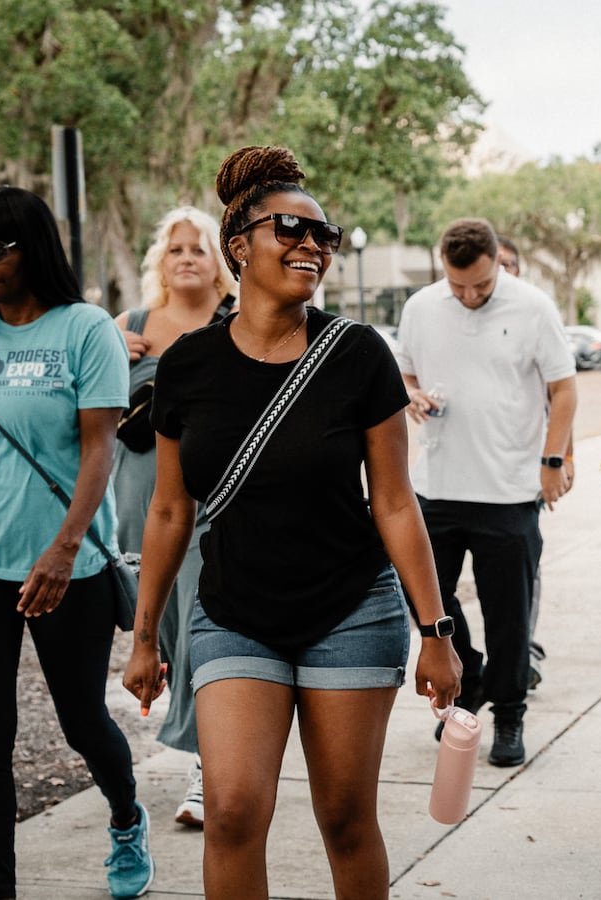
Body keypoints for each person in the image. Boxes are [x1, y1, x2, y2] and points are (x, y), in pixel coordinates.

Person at [122, 144, 460, 900]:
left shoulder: (358, 354)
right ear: (238, 247)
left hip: (352, 609)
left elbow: (394, 501)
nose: (313, 245)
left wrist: (436, 633)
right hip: (233, 613)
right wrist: (145, 636)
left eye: (324, 235)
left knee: (344, 817)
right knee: (233, 812)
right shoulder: (189, 366)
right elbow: (170, 509)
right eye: (290, 229)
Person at [0, 186, 153, 900]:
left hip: (67, 565)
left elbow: (100, 448)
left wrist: (65, 550)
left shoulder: (85, 330)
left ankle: (126, 815)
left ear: (34, 248)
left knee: (82, 721)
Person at [396, 218, 576, 767]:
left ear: (498, 261)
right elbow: (403, 375)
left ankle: (510, 714)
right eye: (459, 287)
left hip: (510, 491)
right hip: (438, 486)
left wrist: (552, 461)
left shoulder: (533, 306)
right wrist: (412, 395)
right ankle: (471, 673)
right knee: (426, 598)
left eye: (481, 284)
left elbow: (564, 387)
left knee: (509, 616)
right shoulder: (421, 308)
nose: (470, 296)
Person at [111, 205, 237, 826]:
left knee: (195, 633)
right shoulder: (128, 325)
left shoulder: (236, 323)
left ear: (220, 263)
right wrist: (111, 355)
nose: (187, 258)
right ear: (161, 262)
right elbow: (85, 410)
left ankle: (209, 767)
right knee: (156, 638)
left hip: (202, 508)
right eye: (176, 249)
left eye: (199, 249)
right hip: (134, 508)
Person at [494, 234, 567, 693]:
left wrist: (561, 458)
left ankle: (523, 652)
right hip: (470, 475)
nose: (501, 273)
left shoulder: (534, 316)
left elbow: (561, 392)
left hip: (527, 467)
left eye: (508, 264)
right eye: (495, 263)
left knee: (525, 566)